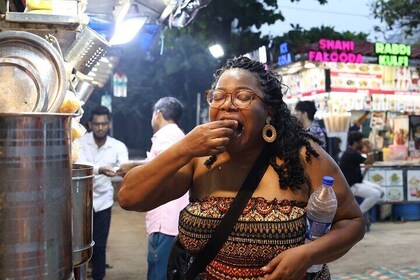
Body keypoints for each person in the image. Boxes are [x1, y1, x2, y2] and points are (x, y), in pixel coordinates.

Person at [118, 57, 365, 279]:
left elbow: (353, 222)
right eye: (218, 96)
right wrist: (184, 148)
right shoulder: (199, 159)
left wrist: (309, 254)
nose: (227, 104)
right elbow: (130, 198)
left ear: (268, 110)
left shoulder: (303, 156)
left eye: (243, 96)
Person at [117, 97, 189, 280]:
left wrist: (133, 166)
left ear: (158, 114)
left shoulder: (166, 135)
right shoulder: (179, 135)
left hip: (164, 220)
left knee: (159, 272)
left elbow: (165, 165)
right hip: (174, 219)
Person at [77, 105, 129, 280]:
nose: (100, 128)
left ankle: (98, 277)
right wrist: (100, 169)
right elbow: (78, 163)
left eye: (104, 124)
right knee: (79, 244)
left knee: (99, 246)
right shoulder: (81, 142)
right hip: (80, 201)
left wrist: (118, 170)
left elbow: (124, 166)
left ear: (110, 124)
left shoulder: (117, 146)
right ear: (90, 124)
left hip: (103, 202)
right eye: (97, 124)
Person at [339, 131, 384, 220]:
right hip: (351, 186)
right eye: (361, 141)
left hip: (357, 182)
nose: (362, 143)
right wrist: (369, 148)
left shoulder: (350, 152)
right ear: (355, 142)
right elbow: (370, 161)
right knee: (375, 194)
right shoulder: (351, 154)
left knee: (381, 190)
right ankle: (358, 214)